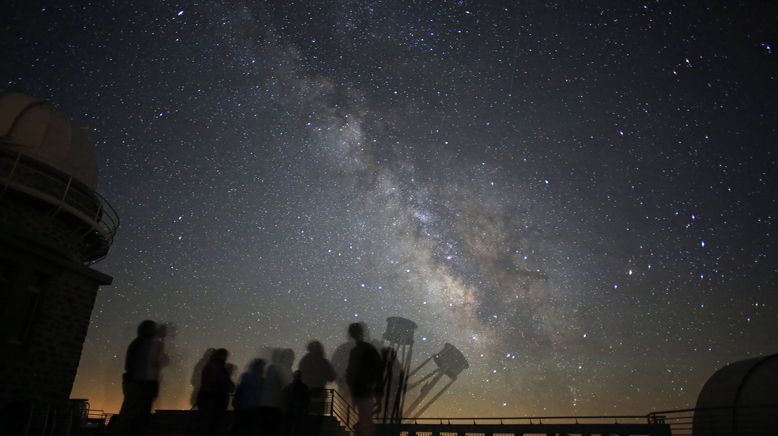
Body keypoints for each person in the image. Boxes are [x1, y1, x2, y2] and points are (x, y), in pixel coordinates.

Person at [114, 320, 167, 436]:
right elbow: (160, 360)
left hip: (136, 384)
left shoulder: (139, 343)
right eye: (153, 329)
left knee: (130, 417)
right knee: (132, 419)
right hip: (140, 386)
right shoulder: (145, 343)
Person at [346, 323, 382, 436]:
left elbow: (351, 375)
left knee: (364, 421)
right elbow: (378, 372)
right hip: (366, 392)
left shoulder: (354, 352)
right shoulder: (369, 349)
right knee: (366, 423)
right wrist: (378, 395)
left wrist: (353, 395)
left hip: (360, 392)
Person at [196, 348, 235, 436]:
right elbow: (221, 383)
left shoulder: (211, 365)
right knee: (213, 427)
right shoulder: (218, 367)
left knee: (207, 427)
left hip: (209, 400)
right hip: (214, 402)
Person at [260, 348, 295, 436]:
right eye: (291, 357)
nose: (293, 360)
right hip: (274, 406)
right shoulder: (280, 368)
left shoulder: (271, 368)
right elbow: (288, 386)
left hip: (265, 404)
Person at [231, 359, 265, 436]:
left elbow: (239, 390)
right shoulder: (262, 380)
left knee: (238, 429)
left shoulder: (246, 376)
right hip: (253, 408)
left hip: (242, 407)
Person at [281, 370, 311, 436]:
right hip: (299, 412)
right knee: (297, 430)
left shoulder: (288, 387)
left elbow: (284, 399)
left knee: (287, 430)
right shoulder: (304, 387)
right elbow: (307, 400)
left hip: (289, 412)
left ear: (293, 377)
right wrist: (306, 410)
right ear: (300, 377)